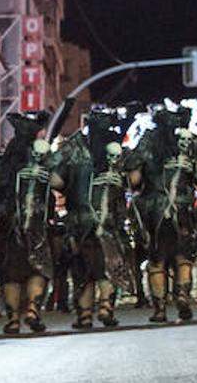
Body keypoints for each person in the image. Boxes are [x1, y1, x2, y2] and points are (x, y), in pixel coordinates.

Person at [0, 111, 55, 334]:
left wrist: (5, 204)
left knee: (10, 273)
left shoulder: (0, 159)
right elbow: (58, 183)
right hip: (37, 223)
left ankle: (12, 320)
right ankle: (32, 310)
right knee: (38, 268)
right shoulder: (44, 160)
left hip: (9, 224)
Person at [56, 107, 134, 329]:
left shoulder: (75, 150)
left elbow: (55, 180)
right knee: (106, 268)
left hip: (81, 223)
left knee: (84, 272)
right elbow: (134, 179)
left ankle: (85, 315)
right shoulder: (116, 152)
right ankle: (105, 308)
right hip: (108, 223)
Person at [126, 105, 197, 323]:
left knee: (157, 261)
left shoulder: (147, 143)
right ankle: (182, 296)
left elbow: (134, 180)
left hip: (155, 211)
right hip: (183, 209)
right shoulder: (185, 144)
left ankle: (160, 309)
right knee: (183, 258)